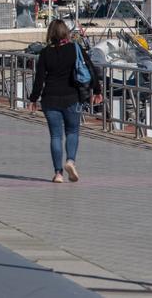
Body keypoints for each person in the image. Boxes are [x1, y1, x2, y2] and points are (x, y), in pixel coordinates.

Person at [28, 19, 104, 183]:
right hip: (72, 97)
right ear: (65, 33)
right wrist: (97, 90)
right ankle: (70, 161)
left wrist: (33, 99)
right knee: (72, 132)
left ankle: (58, 174)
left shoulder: (45, 53)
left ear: (50, 34)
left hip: (50, 99)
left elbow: (39, 80)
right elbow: (90, 68)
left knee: (55, 136)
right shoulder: (75, 49)